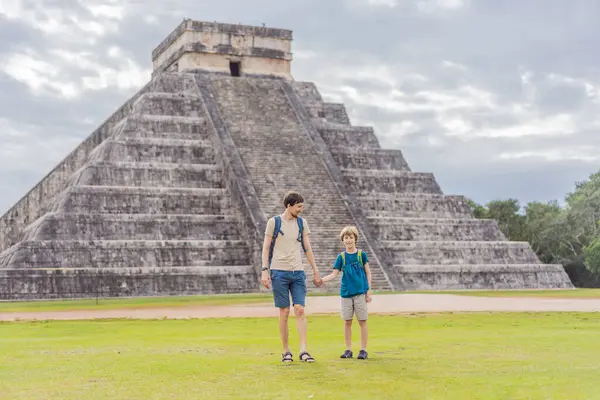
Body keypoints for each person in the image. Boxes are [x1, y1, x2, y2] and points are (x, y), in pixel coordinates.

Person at [260, 191, 322, 363]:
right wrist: (264, 270)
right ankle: (286, 351)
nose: (301, 209)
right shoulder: (274, 222)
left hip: (298, 272)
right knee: (285, 311)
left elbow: (307, 248)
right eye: (299, 206)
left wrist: (315, 269)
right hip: (278, 271)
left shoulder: (302, 223)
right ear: (289, 205)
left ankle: (304, 350)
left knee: (300, 309)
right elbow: (265, 248)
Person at [319, 225, 372, 360]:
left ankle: (363, 349)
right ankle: (348, 349)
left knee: (362, 321)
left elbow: (368, 272)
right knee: (347, 321)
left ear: (355, 239)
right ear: (343, 240)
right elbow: (334, 274)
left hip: (360, 292)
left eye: (351, 237)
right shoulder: (341, 257)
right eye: (346, 238)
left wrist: (369, 290)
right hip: (346, 293)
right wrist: (322, 280)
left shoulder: (361, 255)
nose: (349, 240)